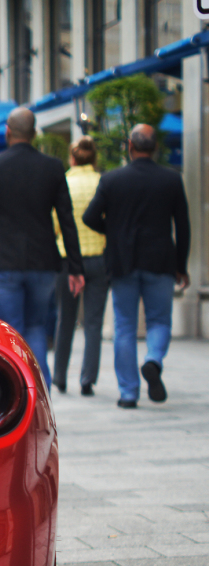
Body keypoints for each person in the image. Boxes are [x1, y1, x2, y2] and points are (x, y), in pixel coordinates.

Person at [0, 107, 84, 386]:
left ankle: (16, 395)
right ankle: (42, 393)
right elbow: (67, 219)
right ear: (35, 134)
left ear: (7, 132)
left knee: (9, 332)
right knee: (37, 328)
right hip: (42, 263)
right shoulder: (52, 167)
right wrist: (76, 267)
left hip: (2, 263)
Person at [82, 124, 190, 408]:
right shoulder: (171, 179)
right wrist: (182, 265)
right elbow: (183, 225)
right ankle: (153, 359)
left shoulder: (112, 179)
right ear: (155, 148)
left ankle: (128, 393)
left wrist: (114, 230)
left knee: (125, 326)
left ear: (130, 145)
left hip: (122, 261)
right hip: (161, 260)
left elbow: (89, 217)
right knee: (159, 320)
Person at [52, 137, 110, 396]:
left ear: (72, 158)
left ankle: (60, 376)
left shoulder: (63, 182)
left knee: (66, 318)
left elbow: (55, 224)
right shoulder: (102, 182)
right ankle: (87, 379)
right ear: (94, 158)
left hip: (68, 260)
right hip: (99, 257)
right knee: (94, 322)